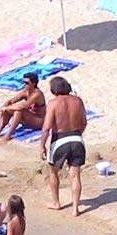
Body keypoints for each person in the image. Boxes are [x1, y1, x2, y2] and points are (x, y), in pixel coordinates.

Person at [40, 76, 88, 217]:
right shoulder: (78, 101)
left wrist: (42, 146)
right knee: (76, 175)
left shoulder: (53, 103)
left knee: (53, 172)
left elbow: (46, 127)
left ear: (53, 89)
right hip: (77, 138)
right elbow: (84, 122)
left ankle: (56, 202)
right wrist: (78, 135)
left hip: (60, 139)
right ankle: (75, 209)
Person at [0, 72, 45, 141]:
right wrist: (1, 109)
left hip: (39, 121)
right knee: (10, 109)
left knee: (19, 111)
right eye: (23, 82)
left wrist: (6, 108)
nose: (24, 85)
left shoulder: (37, 94)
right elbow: (10, 101)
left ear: (33, 84)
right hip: (29, 119)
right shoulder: (25, 92)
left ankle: (8, 135)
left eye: (27, 83)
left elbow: (23, 106)